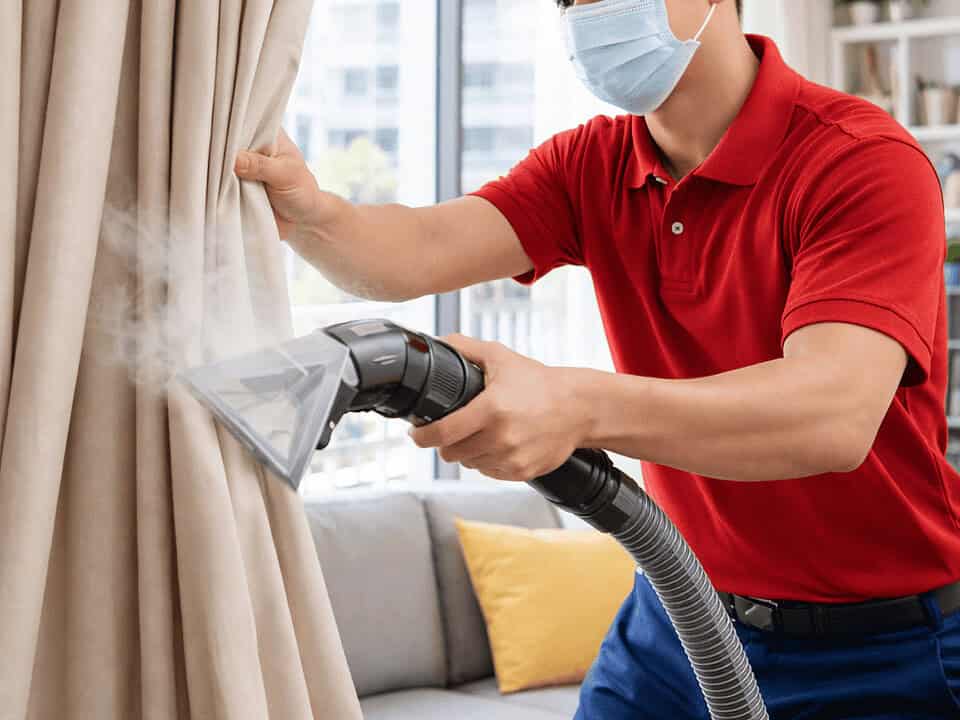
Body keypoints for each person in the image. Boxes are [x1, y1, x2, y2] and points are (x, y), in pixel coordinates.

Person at [235, 0, 960, 716]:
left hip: (882, 644)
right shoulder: (592, 164)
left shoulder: (858, 161)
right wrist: (314, 215)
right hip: (676, 620)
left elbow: (830, 418)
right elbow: (410, 254)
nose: (590, 13)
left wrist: (576, 408)